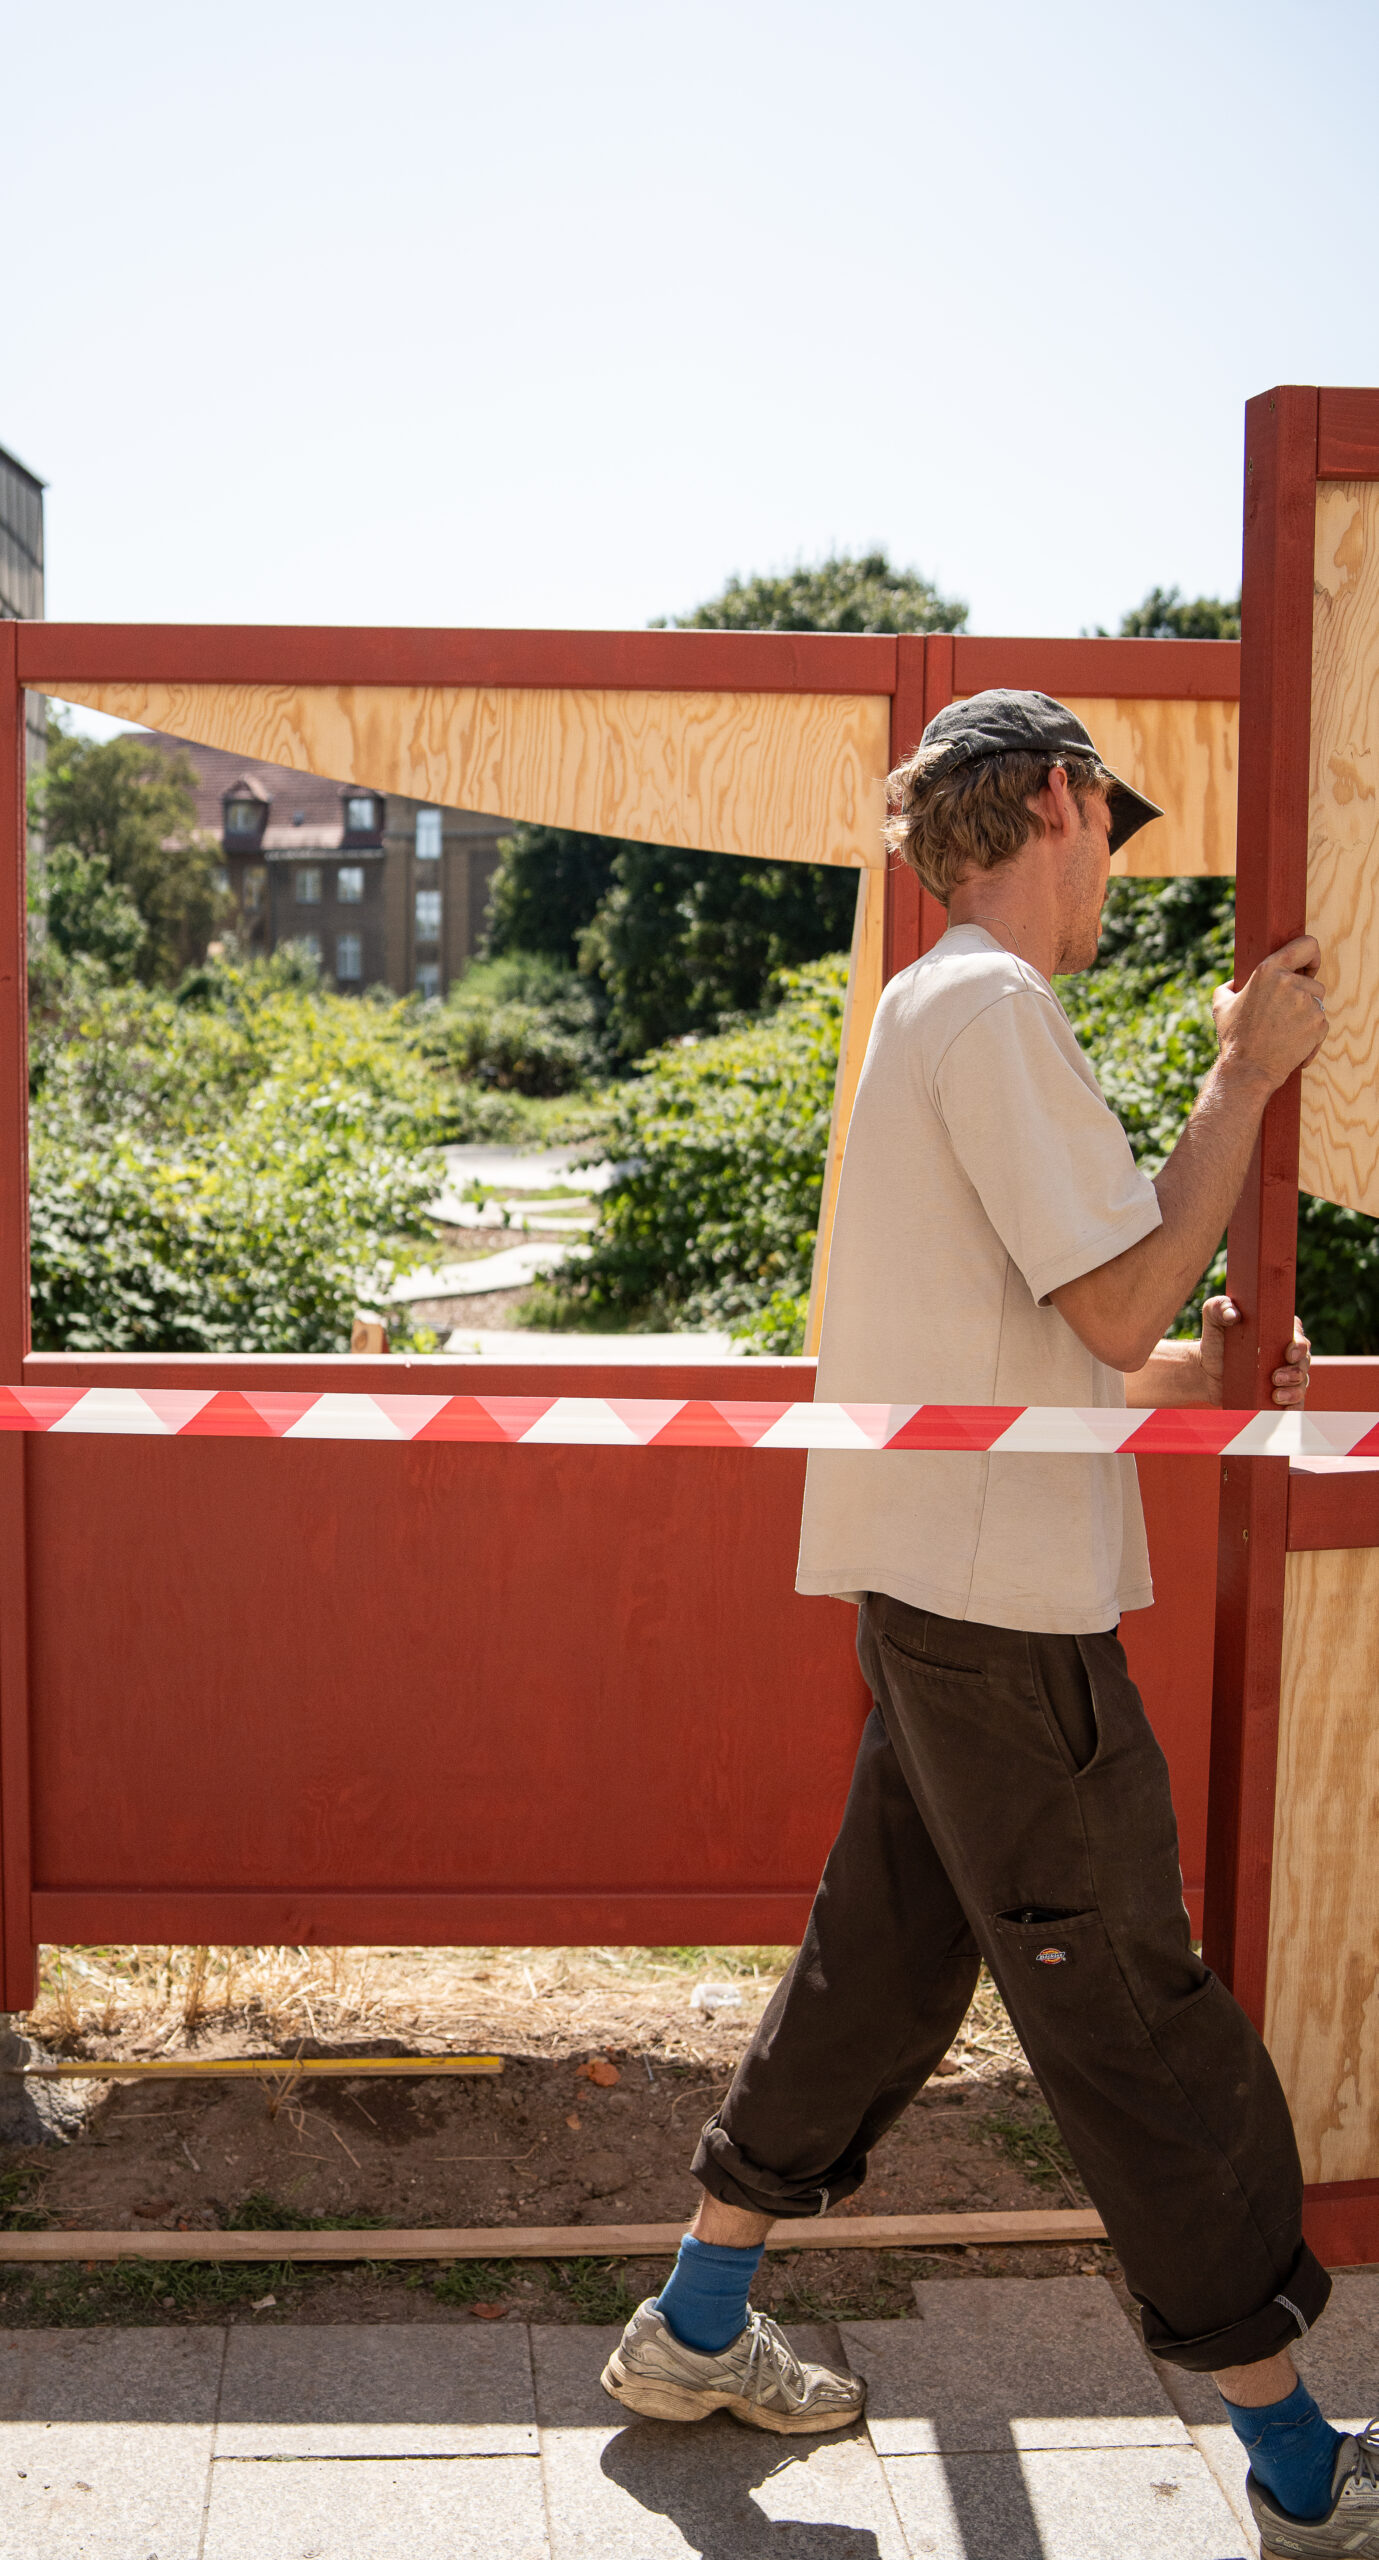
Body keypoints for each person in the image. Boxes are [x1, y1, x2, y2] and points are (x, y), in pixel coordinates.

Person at [599, 692, 1369, 2552]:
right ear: (1054, 798)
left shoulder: (934, 1005)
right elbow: (1106, 1309)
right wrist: (1246, 1080)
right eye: (1111, 827)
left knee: (877, 1969)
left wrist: (1193, 1369)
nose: (1119, 869)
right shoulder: (1000, 1009)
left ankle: (696, 2328)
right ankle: (1300, 2465)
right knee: (1127, 2005)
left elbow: (1051, 1338)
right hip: (1002, 1620)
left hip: (939, 1589)